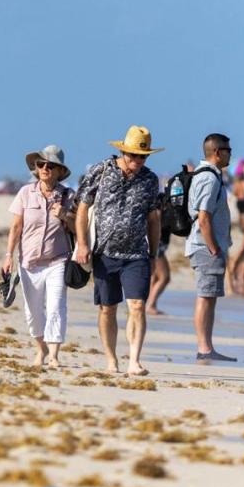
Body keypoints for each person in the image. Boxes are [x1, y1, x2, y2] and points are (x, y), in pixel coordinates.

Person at [75, 126, 162, 376]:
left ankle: (134, 360)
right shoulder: (101, 171)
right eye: (134, 155)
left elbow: (153, 218)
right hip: (104, 252)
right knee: (107, 307)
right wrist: (82, 244)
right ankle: (111, 359)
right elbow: (82, 208)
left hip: (137, 254)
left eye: (143, 156)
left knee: (137, 305)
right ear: (123, 151)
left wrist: (154, 254)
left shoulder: (150, 180)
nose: (138, 161)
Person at [4, 146, 76, 368]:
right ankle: (40, 349)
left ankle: (54, 355)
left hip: (57, 260)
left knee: (56, 307)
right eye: (41, 164)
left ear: (59, 171)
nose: (45, 168)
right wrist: (8, 256)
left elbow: (77, 228)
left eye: (50, 165)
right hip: (29, 263)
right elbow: (16, 227)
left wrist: (64, 215)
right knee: (33, 312)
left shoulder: (68, 195)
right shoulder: (25, 193)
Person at [185, 133, 236, 361]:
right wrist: (214, 247)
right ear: (217, 152)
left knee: (210, 297)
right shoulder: (209, 178)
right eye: (228, 150)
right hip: (205, 247)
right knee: (205, 296)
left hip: (207, 245)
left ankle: (207, 347)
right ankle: (204, 348)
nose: (230, 153)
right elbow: (203, 216)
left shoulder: (210, 175)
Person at [146, 219, 172, 316]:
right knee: (164, 277)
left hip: (159, 242)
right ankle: (150, 305)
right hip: (157, 243)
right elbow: (156, 218)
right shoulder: (160, 205)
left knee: (155, 278)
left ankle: (151, 304)